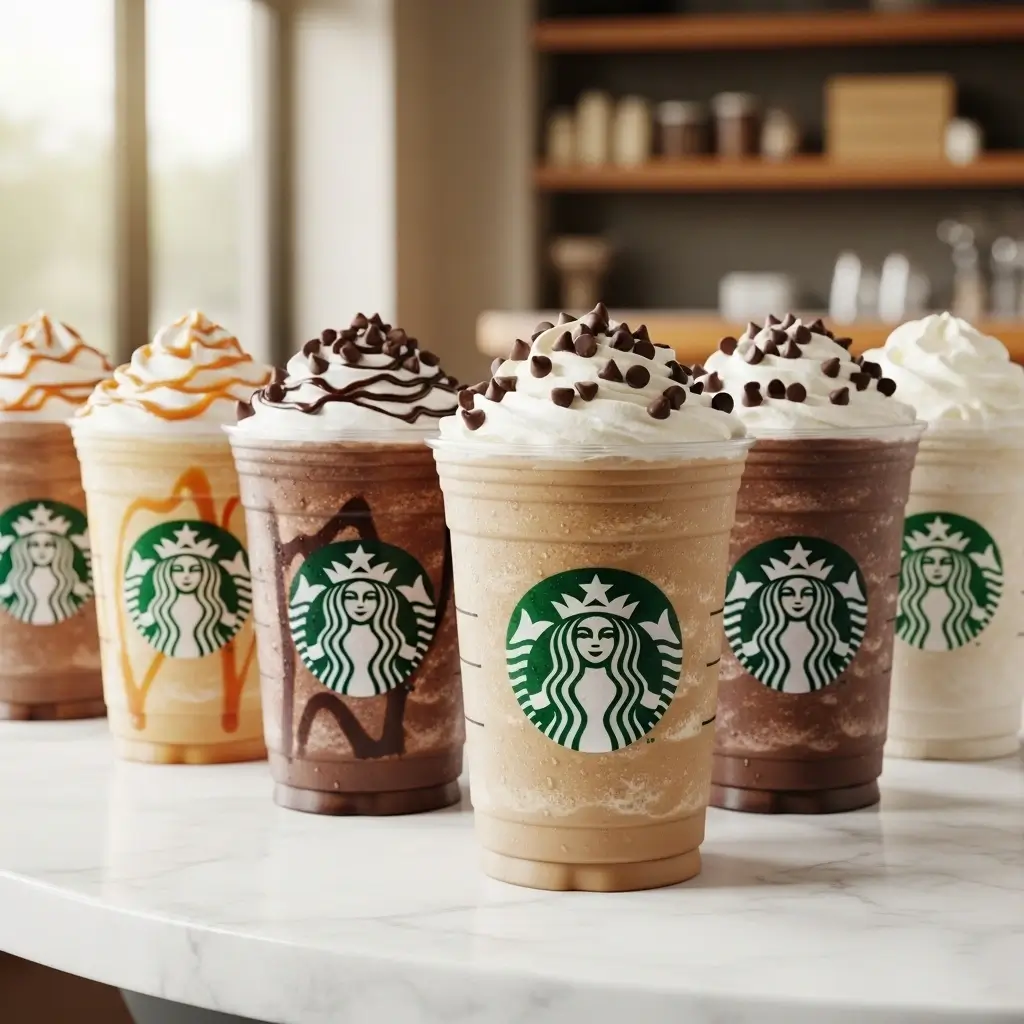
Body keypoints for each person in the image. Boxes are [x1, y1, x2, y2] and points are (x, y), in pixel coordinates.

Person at [524, 613, 664, 753]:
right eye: (584, 635)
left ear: (620, 641)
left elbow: (654, 705)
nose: (596, 642)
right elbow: (535, 705)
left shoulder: (634, 683)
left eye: (607, 635)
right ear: (570, 640)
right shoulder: (556, 684)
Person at [306, 578, 417, 696]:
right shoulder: (328, 639)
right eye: (350, 597)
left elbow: (412, 656)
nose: (360, 604)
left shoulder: (393, 639)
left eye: (369, 597)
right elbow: (312, 655)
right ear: (339, 602)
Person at [742, 576, 850, 693]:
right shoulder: (762, 637)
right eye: (788, 594)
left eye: (807, 594)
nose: (798, 600)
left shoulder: (829, 637)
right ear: (775, 598)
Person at [899, 546, 984, 651]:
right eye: (929, 562)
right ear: (917, 567)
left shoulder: (964, 598)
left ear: (956, 567)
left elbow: (983, 617)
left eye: (945, 562)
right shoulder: (907, 598)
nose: (937, 568)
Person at [147, 553, 230, 658]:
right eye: (178, 570)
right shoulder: (159, 606)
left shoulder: (214, 605)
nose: (186, 576)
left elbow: (230, 621)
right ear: (168, 574)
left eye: (194, 570)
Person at [6, 530, 79, 625]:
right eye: (35, 545)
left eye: (48, 545)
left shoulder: (67, 579)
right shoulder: (17, 579)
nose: (41, 550)